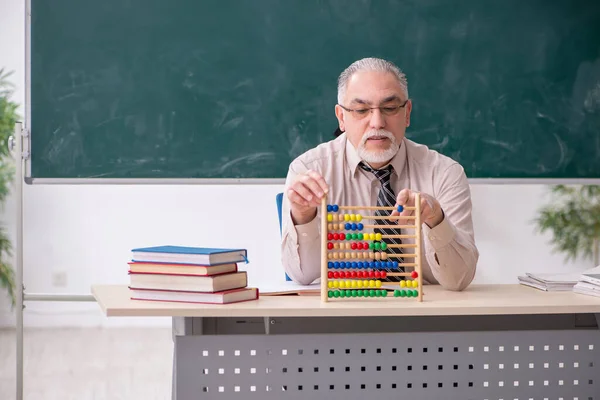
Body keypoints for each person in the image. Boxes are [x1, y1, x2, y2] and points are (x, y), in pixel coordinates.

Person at [280, 57, 478, 291]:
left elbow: (459, 280)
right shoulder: (309, 171)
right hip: (343, 316)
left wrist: (436, 219)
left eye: (390, 108)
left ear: (407, 113)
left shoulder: (445, 174)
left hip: (425, 317)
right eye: (361, 110)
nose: (377, 122)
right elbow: (302, 276)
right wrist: (303, 215)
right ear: (341, 117)